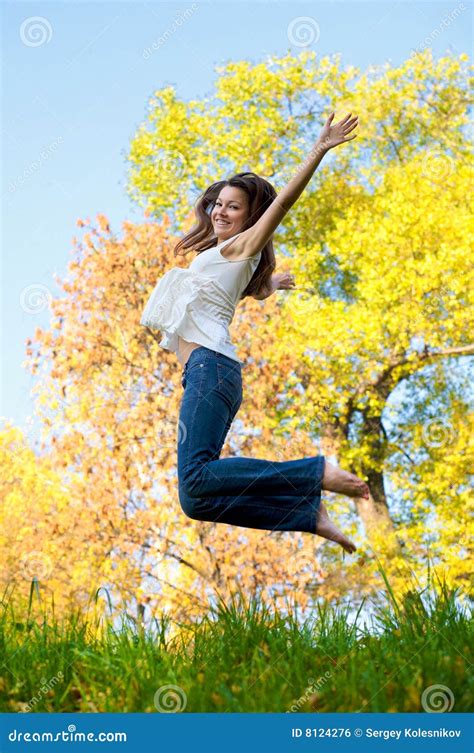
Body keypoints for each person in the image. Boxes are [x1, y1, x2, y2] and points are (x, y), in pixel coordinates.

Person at [141, 112, 369, 554]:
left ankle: (315, 472)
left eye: (233, 206)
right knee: (195, 497)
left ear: (249, 217)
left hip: (211, 370)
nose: (221, 211)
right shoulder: (222, 259)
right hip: (209, 375)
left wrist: (318, 149)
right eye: (218, 203)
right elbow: (225, 298)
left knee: (197, 476)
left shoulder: (243, 245)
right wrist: (267, 286)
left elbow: (282, 204)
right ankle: (304, 513)